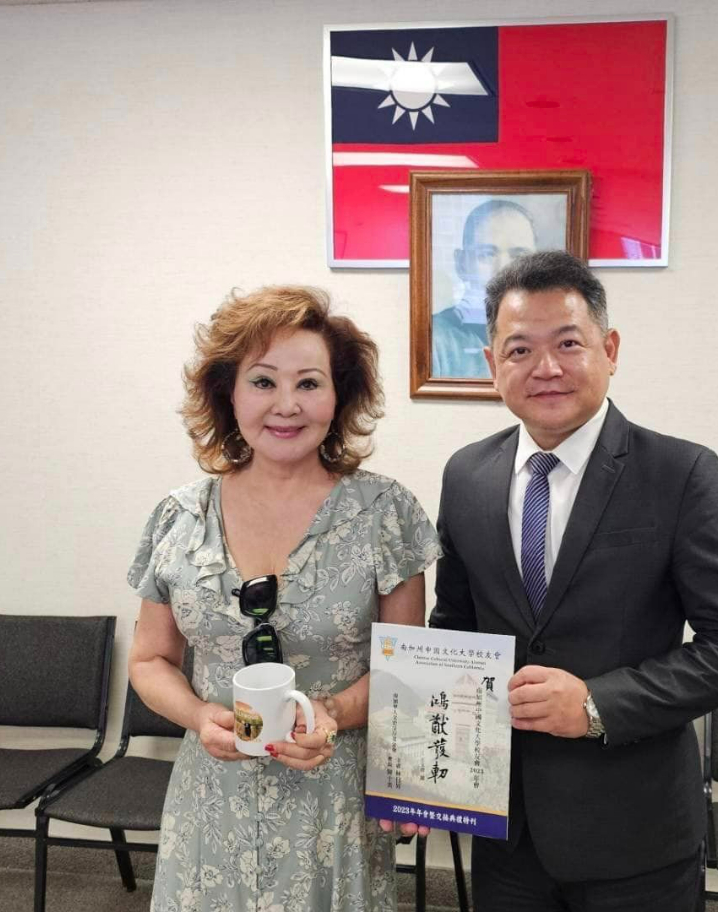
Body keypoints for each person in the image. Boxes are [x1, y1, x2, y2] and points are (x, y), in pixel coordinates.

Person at [428, 251, 718, 912]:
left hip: (636, 835)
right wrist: (427, 774)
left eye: (568, 343)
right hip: (506, 831)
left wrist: (596, 704)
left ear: (609, 350)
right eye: (520, 349)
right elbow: (454, 631)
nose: (546, 367)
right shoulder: (466, 475)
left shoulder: (680, 473)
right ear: (491, 364)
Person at [128, 285, 440, 912]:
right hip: (211, 797)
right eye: (264, 381)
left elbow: (408, 669)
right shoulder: (178, 517)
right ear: (230, 393)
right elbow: (149, 659)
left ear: (338, 395)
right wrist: (198, 715)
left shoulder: (385, 513)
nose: (287, 405)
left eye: (309, 383)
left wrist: (331, 713)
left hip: (334, 796)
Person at [431, 198, 537, 379]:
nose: (502, 269)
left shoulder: (553, 334)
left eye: (519, 255)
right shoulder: (435, 338)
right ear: (462, 263)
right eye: (487, 254)